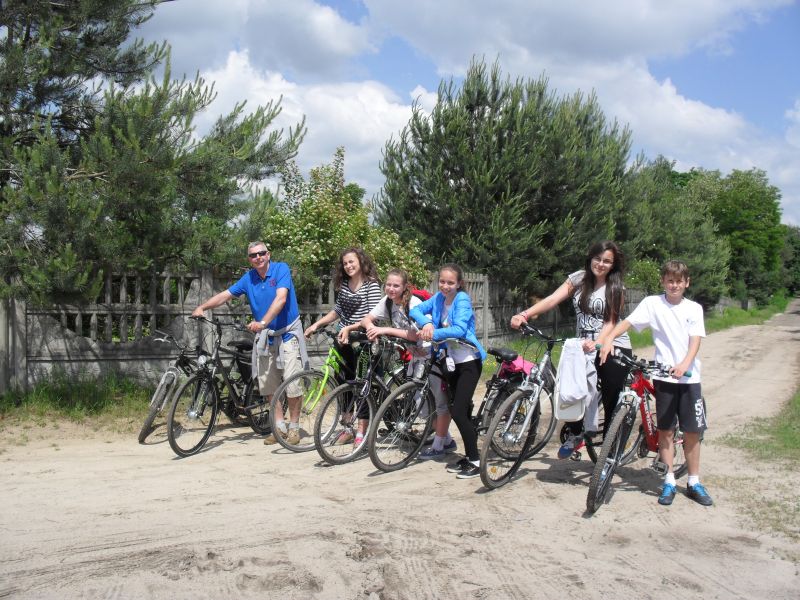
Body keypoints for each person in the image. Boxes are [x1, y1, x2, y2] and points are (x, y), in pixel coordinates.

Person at [600, 260, 711, 507]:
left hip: (689, 378)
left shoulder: (693, 309)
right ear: (663, 281)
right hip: (663, 377)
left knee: (692, 432)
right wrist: (608, 338)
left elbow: (695, 341)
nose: (674, 285)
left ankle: (694, 481)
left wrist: (684, 364)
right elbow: (628, 322)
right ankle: (669, 480)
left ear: (687, 283)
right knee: (666, 430)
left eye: (679, 281)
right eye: (670, 280)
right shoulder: (652, 303)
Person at [510, 240, 631, 459]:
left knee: (611, 394)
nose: (601, 264)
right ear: (590, 258)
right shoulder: (578, 279)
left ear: (613, 265)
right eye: (597, 259)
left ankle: (611, 448)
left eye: (607, 261)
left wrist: (598, 342)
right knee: (571, 387)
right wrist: (524, 314)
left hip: (612, 344)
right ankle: (576, 433)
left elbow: (611, 322)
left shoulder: (616, 287)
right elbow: (552, 299)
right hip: (581, 346)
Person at [191, 241, 308, 445]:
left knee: (292, 383)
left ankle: (294, 428)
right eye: (253, 255)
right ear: (249, 259)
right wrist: (203, 307)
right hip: (266, 335)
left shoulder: (281, 269)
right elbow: (226, 295)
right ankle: (279, 427)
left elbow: (281, 299)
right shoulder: (249, 278)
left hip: (288, 333)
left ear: (268, 254)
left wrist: (263, 322)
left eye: (261, 253)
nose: (258, 257)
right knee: (268, 384)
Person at [360, 269, 456, 457]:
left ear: (405, 287)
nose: (391, 289)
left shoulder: (414, 303)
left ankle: (441, 443)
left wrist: (384, 330)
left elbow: (417, 334)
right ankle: (445, 438)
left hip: (432, 355)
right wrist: (371, 328)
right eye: (388, 285)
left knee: (438, 401)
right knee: (421, 402)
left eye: (396, 285)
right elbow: (366, 319)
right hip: (416, 357)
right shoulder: (387, 301)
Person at [409, 264, 486, 479]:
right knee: (462, 411)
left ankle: (475, 461)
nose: (445, 286)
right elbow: (414, 310)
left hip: (468, 362)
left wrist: (432, 333)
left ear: (459, 283)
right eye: (442, 281)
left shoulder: (462, 300)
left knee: (458, 412)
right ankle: (469, 455)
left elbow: (460, 329)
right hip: (450, 362)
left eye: (450, 282)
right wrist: (426, 323)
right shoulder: (438, 298)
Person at [304, 247, 382, 446]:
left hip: (363, 341)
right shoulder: (346, 284)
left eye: (351, 261)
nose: (348, 266)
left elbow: (372, 317)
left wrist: (349, 328)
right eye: (345, 263)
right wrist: (316, 325)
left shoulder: (371, 284)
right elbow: (337, 311)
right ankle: (347, 428)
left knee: (362, 385)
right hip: (344, 340)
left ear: (361, 261)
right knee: (344, 384)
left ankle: (362, 430)